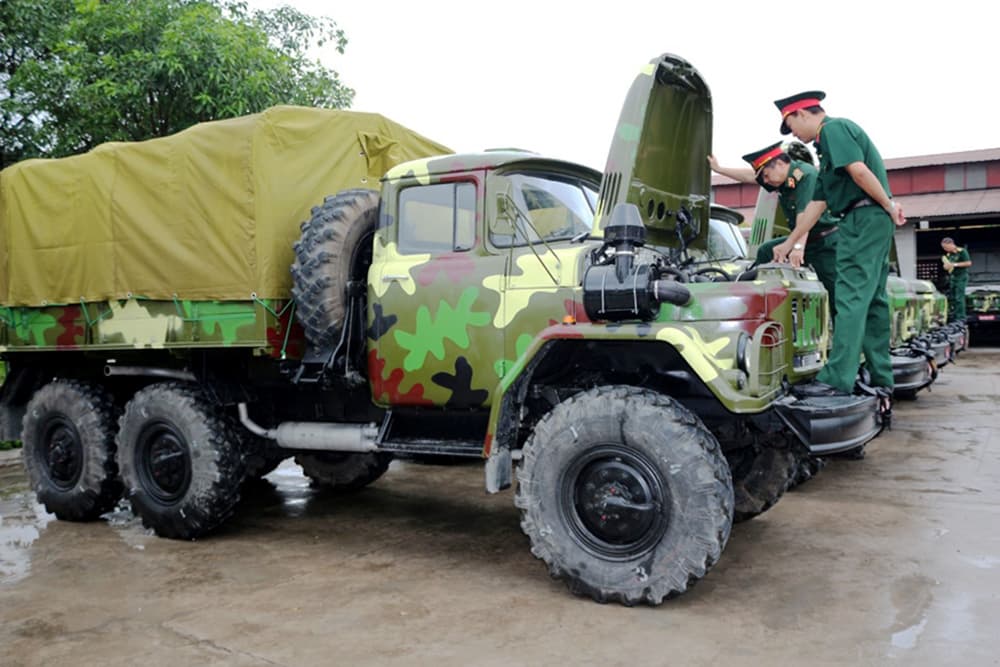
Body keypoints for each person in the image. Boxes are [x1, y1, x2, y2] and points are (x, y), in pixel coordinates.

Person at [773, 90, 907, 398]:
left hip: (862, 218)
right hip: (871, 218)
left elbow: (858, 171)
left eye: (791, 126)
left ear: (802, 114)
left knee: (850, 297)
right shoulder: (826, 151)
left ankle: (837, 379)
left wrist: (888, 204)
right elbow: (816, 205)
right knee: (872, 300)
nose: (794, 134)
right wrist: (790, 242)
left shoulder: (833, 129)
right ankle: (880, 375)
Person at [708, 141, 839, 315]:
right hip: (806, 239)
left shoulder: (805, 176)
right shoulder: (782, 179)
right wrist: (719, 169)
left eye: (766, 175)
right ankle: (757, 307)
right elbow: (750, 177)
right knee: (766, 251)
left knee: (836, 296)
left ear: (779, 164)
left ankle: (843, 332)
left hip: (825, 243)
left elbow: (805, 217)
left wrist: (797, 247)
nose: (765, 181)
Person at [941, 237, 972, 322]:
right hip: (953, 277)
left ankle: (960, 317)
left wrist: (954, 264)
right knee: (952, 297)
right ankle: (954, 315)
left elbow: (968, 263)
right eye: (943, 247)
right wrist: (946, 266)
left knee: (959, 297)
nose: (945, 249)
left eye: (946, 247)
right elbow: (947, 266)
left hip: (961, 276)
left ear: (951, 244)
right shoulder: (948, 255)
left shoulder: (961, 251)